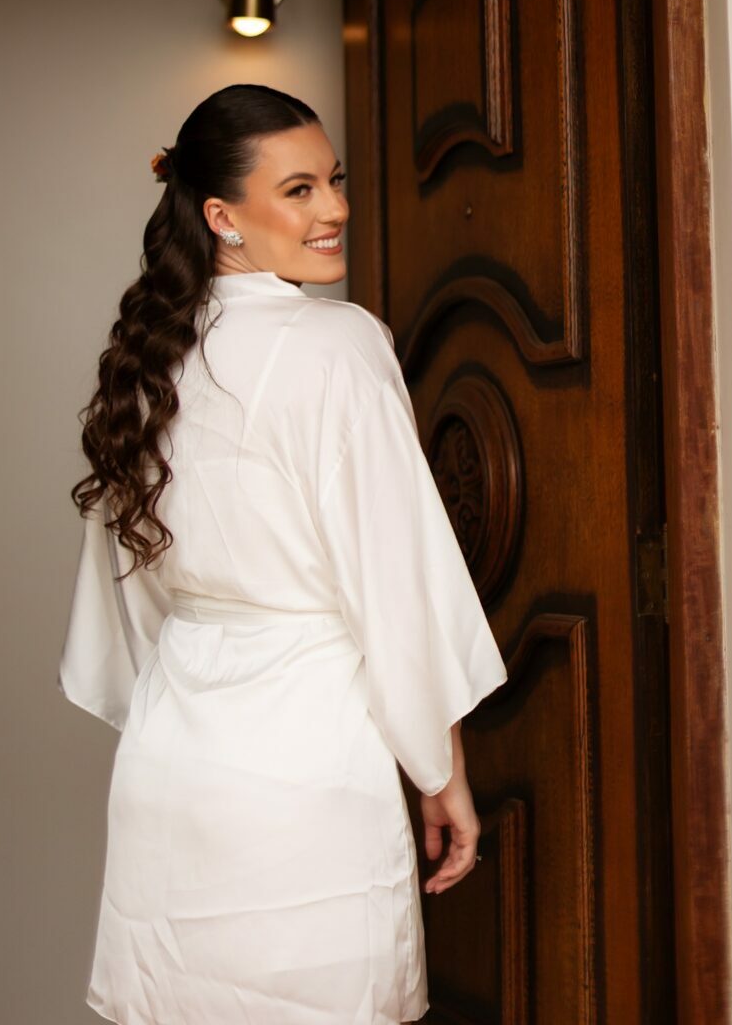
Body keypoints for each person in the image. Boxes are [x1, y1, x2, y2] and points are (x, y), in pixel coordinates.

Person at [58, 83, 507, 1024]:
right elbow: (394, 580)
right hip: (305, 763)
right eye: (298, 190)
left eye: (333, 181)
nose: (334, 208)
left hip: (170, 760)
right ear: (221, 215)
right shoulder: (338, 344)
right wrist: (442, 773)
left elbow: (131, 604)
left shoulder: (145, 359)